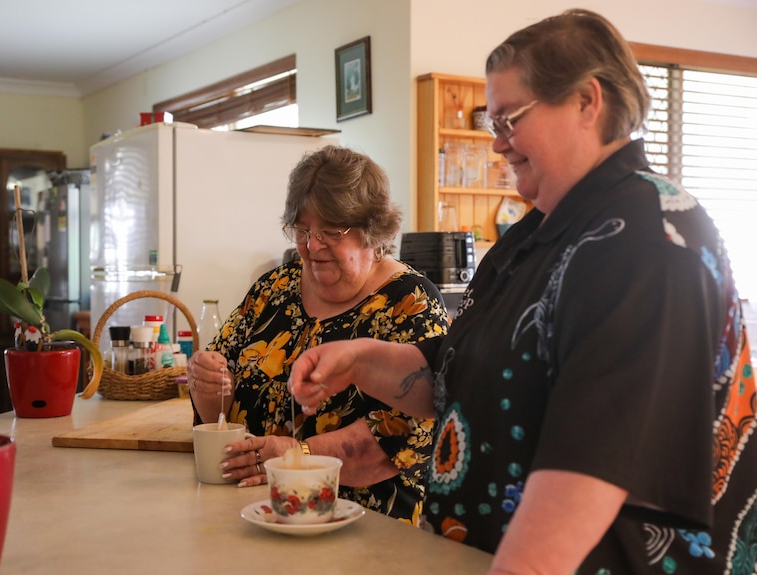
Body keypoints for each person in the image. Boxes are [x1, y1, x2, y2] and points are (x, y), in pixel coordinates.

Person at [290, 10, 757, 574]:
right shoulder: (537, 233)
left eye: (511, 119)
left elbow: (592, 469)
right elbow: (456, 380)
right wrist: (361, 358)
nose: (498, 145)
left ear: (588, 102)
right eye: (493, 123)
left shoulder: (646, 240)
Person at [187, 145, 450, 524]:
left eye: (330, 232)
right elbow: (218, 410)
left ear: (372, 232)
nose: (311, 247)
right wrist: (207, 381)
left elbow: (406, 434)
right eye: (302, 230)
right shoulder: (273, 289)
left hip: (366, 528)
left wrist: (298, 456)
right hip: (260, 516)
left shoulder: (410, 301)